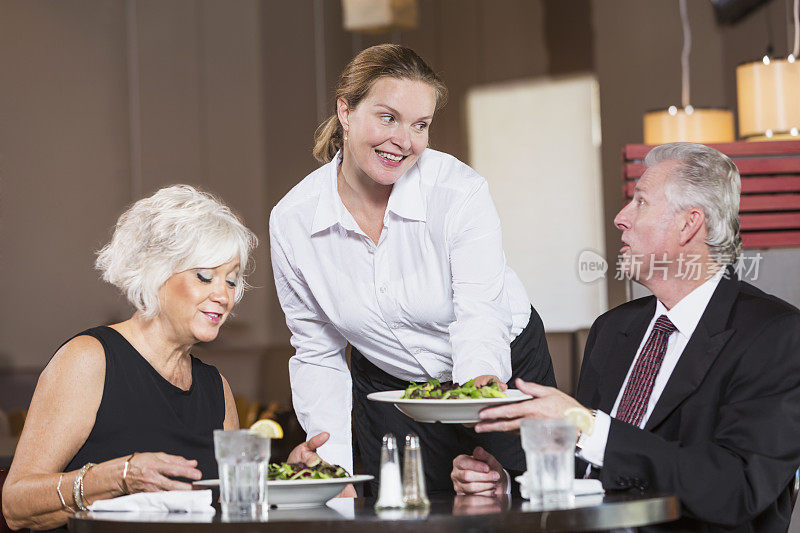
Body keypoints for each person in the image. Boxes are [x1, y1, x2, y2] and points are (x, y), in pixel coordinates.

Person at [451, 142, 800, 531]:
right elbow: (589, 472)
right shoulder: (613, 329)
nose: (620, 218)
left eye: (641, 203)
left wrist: (583, 423)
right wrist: (509, 486)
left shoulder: (776, 335)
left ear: (690, 224)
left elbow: (735, 488)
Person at [269, 43, 555, 496]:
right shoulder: (294, 221)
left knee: (517, 497)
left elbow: (479, 312)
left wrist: (480, 401)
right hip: (391, 383)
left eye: (420, 125)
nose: (404, 141)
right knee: (404, 511)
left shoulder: (458, 190)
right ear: (345, 111)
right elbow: (316, 351)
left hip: (500, 362)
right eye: (388, 117)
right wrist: (333, 470)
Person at [2, 185, 332, 531]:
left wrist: (285, 483)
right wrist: (119, 477)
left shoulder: (215, 388)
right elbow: (16, 504)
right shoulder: (90, 360)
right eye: (204, 276)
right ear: (155, 272)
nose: (223, 295)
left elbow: (225, 509)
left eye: (232, 281)